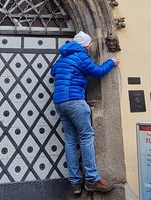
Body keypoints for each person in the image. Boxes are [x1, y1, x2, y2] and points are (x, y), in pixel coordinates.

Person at [50, 31, 120, 196]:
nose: (91, 46)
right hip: (75, 101)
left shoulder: (64, 56)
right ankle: (92, 179)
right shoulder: (81, 56)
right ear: (85, 45)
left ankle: (75, 183)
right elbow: (97, 71)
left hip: (60, 102)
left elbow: (54, 72)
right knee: (86, 136)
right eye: (89, 44)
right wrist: (111, 61)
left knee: (70, 140)